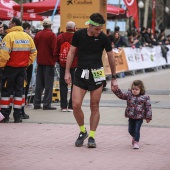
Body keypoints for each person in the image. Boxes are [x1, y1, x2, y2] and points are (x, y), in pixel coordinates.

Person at [65, 13, 118, 148]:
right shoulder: (79, 35)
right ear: (90, 25)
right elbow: (71, 53)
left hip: (97, 73)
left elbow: (111, 57)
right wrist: (67, 72)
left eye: (100, 29)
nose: (98, 32)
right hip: (81, 72)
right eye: (96, 29)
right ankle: (83, 131)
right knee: (75, 105)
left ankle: (92, 136)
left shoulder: (103, 38)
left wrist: (114, 77)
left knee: (94, 106)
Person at [0, 17, 37, 123]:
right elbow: (34, 52)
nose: (9, 25)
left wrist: (2, 65)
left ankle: (5, 115)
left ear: (14, 24)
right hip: (22, 69)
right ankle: (18, 116)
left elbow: (4, 55)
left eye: (10, 23)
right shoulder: (28, 37)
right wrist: (27, 63)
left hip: (9, 69)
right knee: (19, 93)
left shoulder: (9, 36)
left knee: (6, 93)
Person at [112, 80, 152, 149]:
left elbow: (148, 107)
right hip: (131, 116)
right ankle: (135, 136)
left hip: (139, 117)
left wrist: (148, 117)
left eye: (136, 89)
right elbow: (121, 95)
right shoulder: (129, 94)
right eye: (133, 89)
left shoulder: (145, 97)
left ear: (141, 89)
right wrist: (116, 90)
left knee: (137, 129)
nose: (134, 91)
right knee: (130, 130)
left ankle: (136, 142)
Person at [33, 18, 57, 110]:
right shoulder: (52, 35)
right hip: (49, 62)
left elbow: (35, 47)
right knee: (48, 84)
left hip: (40, 62)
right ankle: (47, 104)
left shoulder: (38, 35)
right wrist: (55, 60)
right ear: (50, 25)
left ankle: (37, 103)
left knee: (39, 84)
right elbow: (54, 49)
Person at [54, 21, 78, 112]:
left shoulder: (60, 37)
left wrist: (59, 61)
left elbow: (55, 52)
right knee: (74, 85)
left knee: (63, 85)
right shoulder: (76, 37)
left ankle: (63, 106)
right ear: (74, 28)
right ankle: (71, 106)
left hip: (63, 64)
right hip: (75, 64)